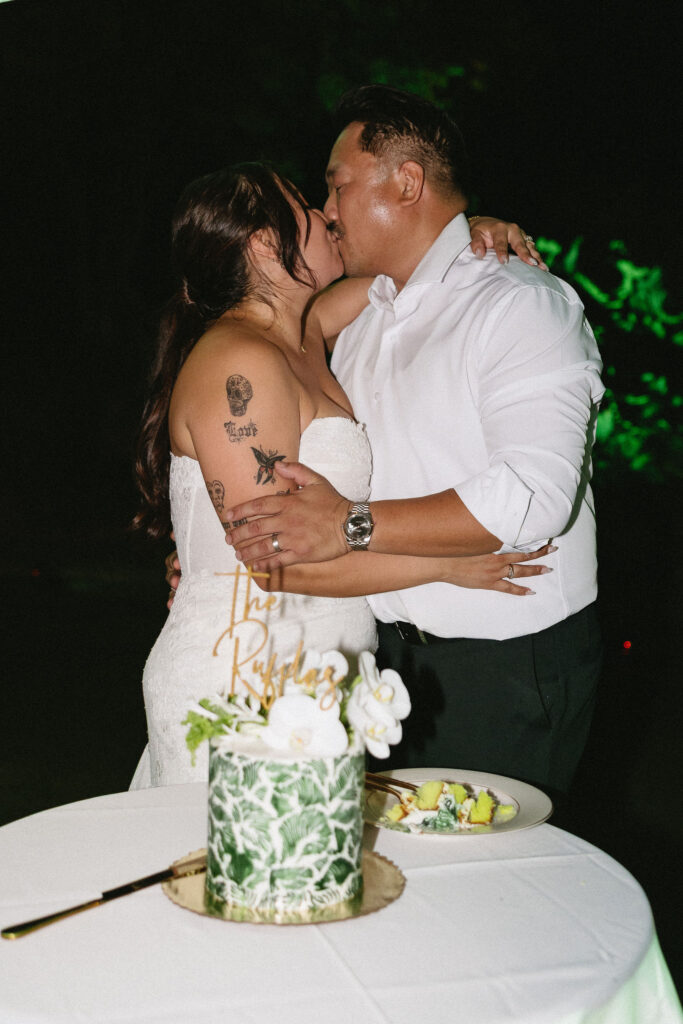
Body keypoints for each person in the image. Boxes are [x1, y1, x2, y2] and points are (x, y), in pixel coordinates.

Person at [222, 87, 605, 798]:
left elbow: (533, 495)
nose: (327, 209)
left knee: (489, 893)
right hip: (386, 665)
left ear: (405, 183)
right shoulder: (367, 311)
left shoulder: (517, 301)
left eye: (336, 185)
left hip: (503, 665)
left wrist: (347, 526)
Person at [132, 161, 550, 788]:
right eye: (305, 203)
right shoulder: (238, 363)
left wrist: (470, 232)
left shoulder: (304, 336)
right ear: (264, 243)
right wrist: (441, 564)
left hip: (317, 675)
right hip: (244, 678)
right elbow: (277, 564)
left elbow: (405, 268)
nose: (328, 215)